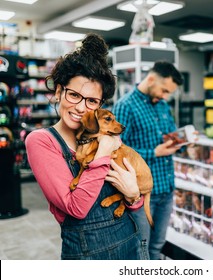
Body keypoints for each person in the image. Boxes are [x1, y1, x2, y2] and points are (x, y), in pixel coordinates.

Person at [25, 33, 148, 260]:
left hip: (131, 243)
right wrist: (103, 151)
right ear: (59, 92)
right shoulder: (42, 141)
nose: (81, 108)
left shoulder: (103, 134)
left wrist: (133, 197)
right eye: (74, 95)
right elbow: (77, 209)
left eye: (91, 101)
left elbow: (131, 196)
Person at [112, 61, 183, 260]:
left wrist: (182, 141)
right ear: (151, 79)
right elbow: (117, 151)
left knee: (157, 246)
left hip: (166, 188)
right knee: (140, 249)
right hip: (142, 194)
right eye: (164, 90)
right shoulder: (125, 106)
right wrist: (154, 152)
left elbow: (170, 135)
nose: (165, 96)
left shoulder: (162, 105)